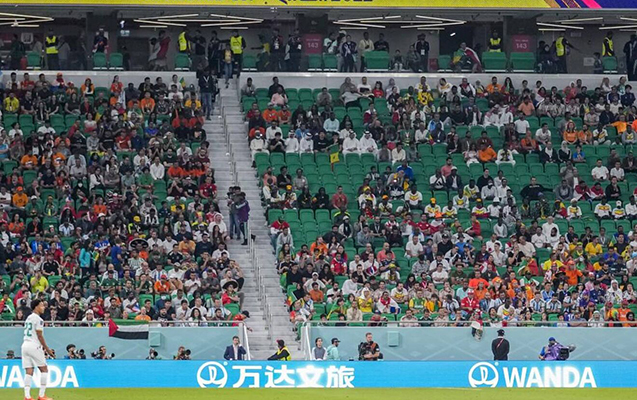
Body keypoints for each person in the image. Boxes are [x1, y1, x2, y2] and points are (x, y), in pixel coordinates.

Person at [22, 299, 54, 400]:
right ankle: (41, 395)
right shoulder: (39, 319)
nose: (43, 307)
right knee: (44, 369)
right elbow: (39, 336)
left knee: (29, 371)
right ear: (36, 307)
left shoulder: (28, 318)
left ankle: (27, 396)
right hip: (34, 345)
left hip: (25, 345)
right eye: (41, 305)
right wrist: (47, 349)